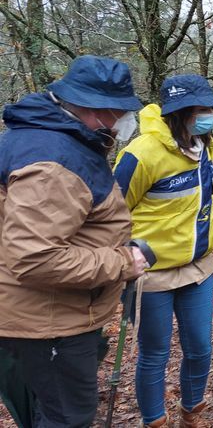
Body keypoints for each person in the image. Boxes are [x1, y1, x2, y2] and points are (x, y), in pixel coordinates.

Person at [0, 55, 149, 427]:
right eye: (120, 113)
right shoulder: (54, 163)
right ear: (94, 111)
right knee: (68, 418)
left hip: (43, 315)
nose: (125, 122)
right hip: (48, 323)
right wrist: (122, 263)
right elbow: (36, 259)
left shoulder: (51, 140)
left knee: (48, 413)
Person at [113, 75, 213, 427]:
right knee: (154, 355)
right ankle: (155, 421)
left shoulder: (204, 145)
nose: (208, 115)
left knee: (200, 349)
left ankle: (191, 414)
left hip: (198, 268)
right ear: (178, 113)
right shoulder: (141, 154)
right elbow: (110, 213)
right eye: (200, 109)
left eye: (210, 108)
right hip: (151, 276)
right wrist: (122, 258)